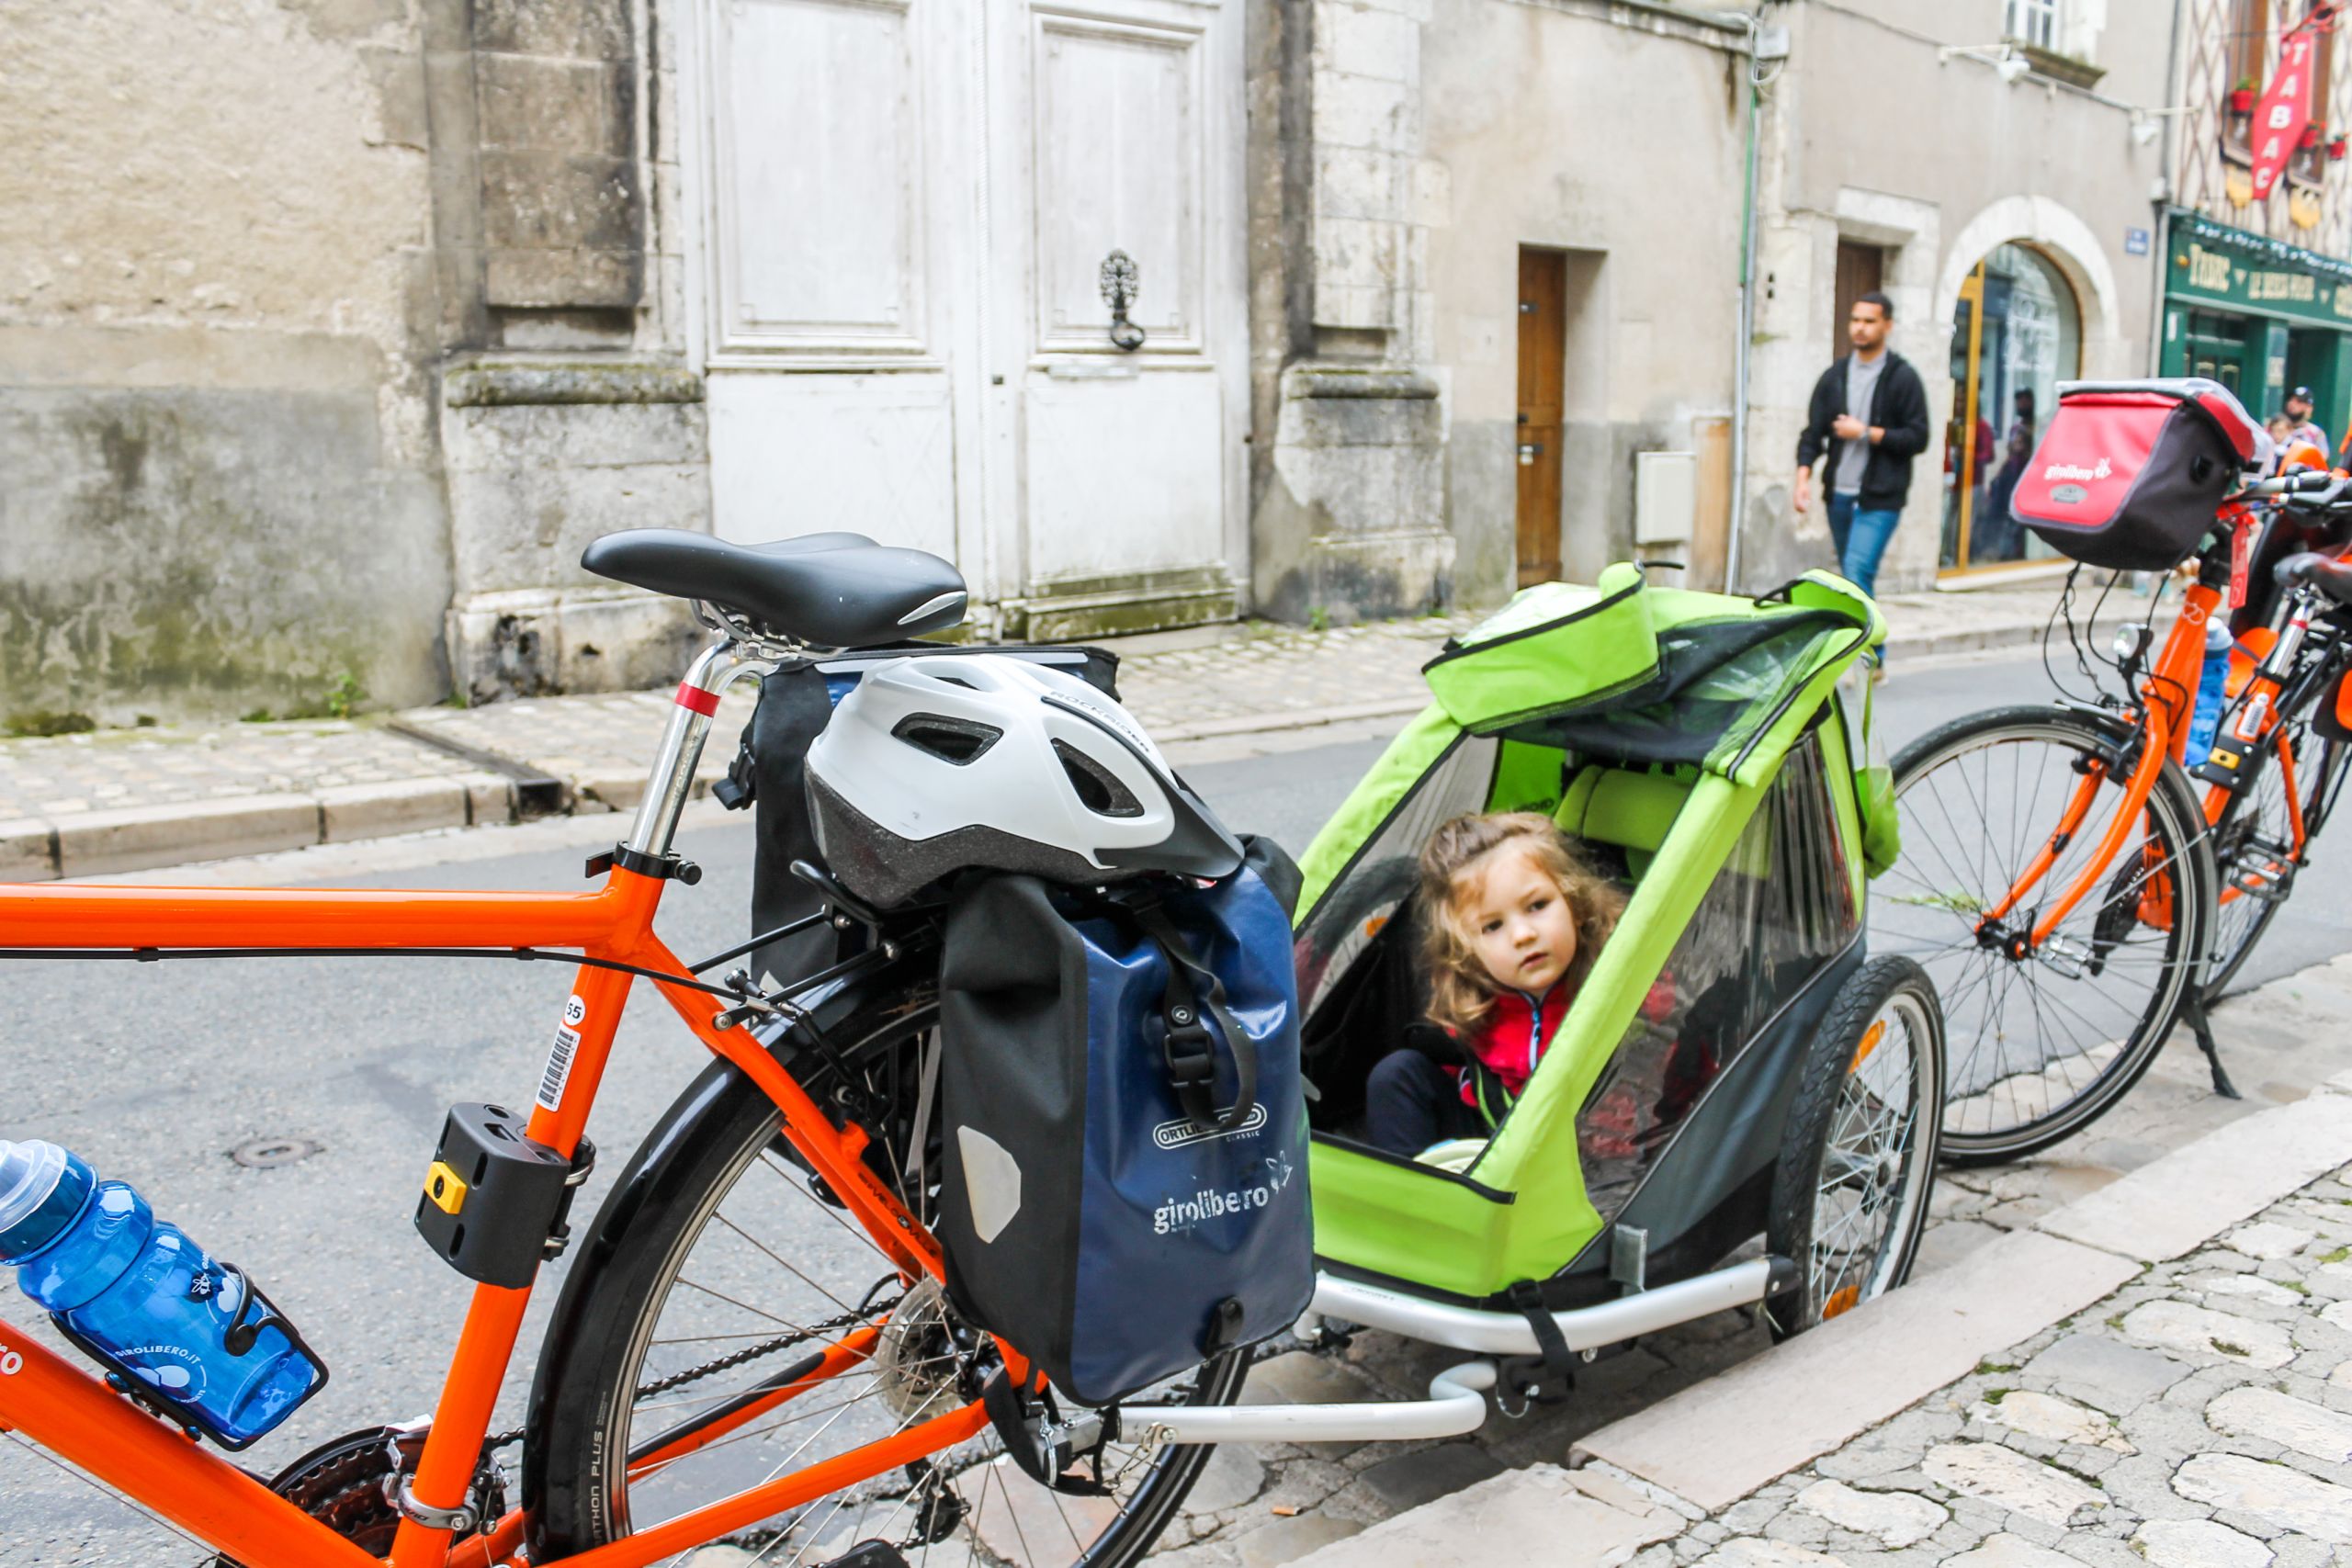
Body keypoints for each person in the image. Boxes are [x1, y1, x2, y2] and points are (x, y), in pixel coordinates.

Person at [1363, 812, 1624, 1156]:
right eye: (1492, 927)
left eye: (1537, 905)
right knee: (1396, 1074)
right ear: (1467, 948)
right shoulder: (1477, 998)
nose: (1523, 935)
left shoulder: (1619, 979)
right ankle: (1407, 1199)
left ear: (1573, 904)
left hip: (1586, 1146)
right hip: (1496, 1135)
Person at [1793, 292, 1932, 598]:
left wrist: (1867, 432)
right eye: (1855, 320)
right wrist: (1802, 479)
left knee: (1857, 572)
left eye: (1869, 321)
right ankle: (1864, 645)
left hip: (1880, 499)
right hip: (1839, 497)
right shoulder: (1835, 377)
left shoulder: (1903, 378)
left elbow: (1918, 437)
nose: (1860, 327)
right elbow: (1813, 433)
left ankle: (1873, 648)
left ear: (1887, 325)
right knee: (1850, 578)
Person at [2283, 386, 2330, 457]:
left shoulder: (2316, 433)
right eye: (2291, 399)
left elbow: (2322, 459)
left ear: (2309, 408)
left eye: (2298, 401)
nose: (2292, 404)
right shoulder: (2276, 427)